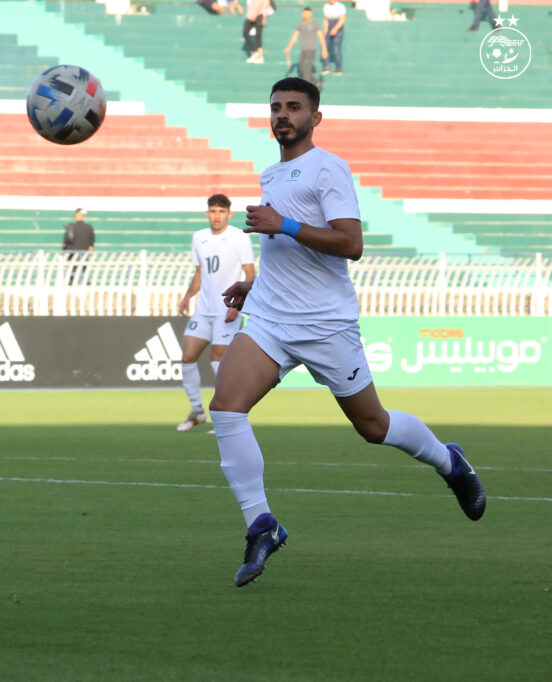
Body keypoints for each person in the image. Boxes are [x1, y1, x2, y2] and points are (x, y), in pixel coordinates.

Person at [210, 78, 486, 588]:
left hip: (325, 324)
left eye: (294, 107)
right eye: (275, 108)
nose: (282, 115)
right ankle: (261, 524)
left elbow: (350, 243)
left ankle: (450, 462)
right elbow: (285, 250)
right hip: (271, 318)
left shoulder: (330, 169)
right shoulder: (273, 172)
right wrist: (254, 287)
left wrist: (283, 224)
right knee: (226, 408)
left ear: (316, 117)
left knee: (373, 427)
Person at [176, 194, 256, 433]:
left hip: (227, 310)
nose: (217, 215)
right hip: (203, 310)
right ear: (207, 213)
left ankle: (226, 415)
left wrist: (236, 305)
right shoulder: (198, 237)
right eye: (213, 211)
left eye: (221, 211)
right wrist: (188, 296)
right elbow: (200, 273)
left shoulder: (239, 237)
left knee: (217, 361)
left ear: (229, 214)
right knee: (188, 357)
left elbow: (250, 274)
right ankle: (197, 412)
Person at [283, 7, 329, 87]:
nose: (306, 15)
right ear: (302, 14)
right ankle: (317, 82)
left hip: (311, 49)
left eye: (308, 13)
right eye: (305, 13)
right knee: (301, 67)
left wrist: (324, 50)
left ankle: (307, 88)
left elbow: (321, 36)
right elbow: (295, 35)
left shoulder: (315, 24)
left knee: (307, 68)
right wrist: (289, 47)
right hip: (303, 49)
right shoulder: (300, 24)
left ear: (311, 14)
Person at [62, 208, 95, 285]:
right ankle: (83, 282)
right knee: (82, 270)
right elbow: (91, 245)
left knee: (73, 270)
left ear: (75, 215)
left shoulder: (71, 227)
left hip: (73, 253)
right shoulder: (89, 227)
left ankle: (73, 281)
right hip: (84, 254)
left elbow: (66, 241)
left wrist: (65, 248)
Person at [321, 0, 346, 75]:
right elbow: (326, 20)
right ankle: (327, 67)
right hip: (328, 31)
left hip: (338, 32)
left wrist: (335, 29)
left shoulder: (340, 6)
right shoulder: (326, 7)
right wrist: (325, 32)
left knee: (336, 50)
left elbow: (342, 19)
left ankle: (339, 68)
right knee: (325, 48)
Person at [243, 0, 271, 64]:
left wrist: (257, 15)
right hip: (252, 15)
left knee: (258, 36)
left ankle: (259, 56)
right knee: (247, 33)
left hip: (257, 15)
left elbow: (263, 3)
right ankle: (256, 54)